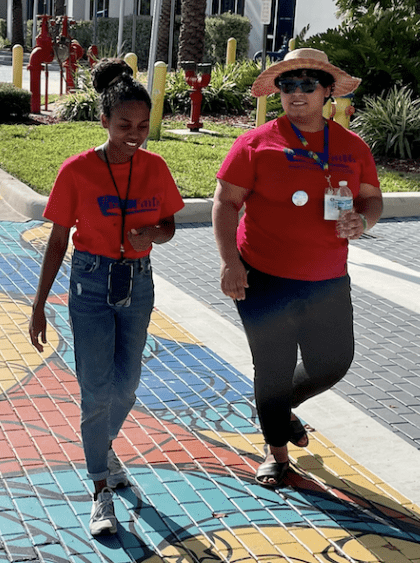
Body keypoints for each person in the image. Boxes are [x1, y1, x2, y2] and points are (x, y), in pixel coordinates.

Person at [212, 48, 383, 488]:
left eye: (308, 84)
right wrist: (230, 262)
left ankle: (278, 407)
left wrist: (362, 220)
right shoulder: (255, 143)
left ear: (327, 92)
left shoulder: (351, 146)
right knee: (272, 365)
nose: (297, 93)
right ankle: (276, 453)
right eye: (287, 86)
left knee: (333, 362)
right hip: (263, 276)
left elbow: (371, 198)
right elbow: (225, 203)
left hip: (327, 278)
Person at [28, 58, 184, 535]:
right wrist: (38, 306)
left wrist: (153, 235)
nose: (134, 133)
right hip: (90, 282)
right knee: (96, 390)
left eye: (142, 125)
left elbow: (170, 225)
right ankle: (100, 490)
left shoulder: (155, 168)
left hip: (138, 282)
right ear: (104, 121)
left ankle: (103, 445)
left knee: (128, 385)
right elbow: (57, 241)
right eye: (123, 125)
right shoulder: (77, 171)